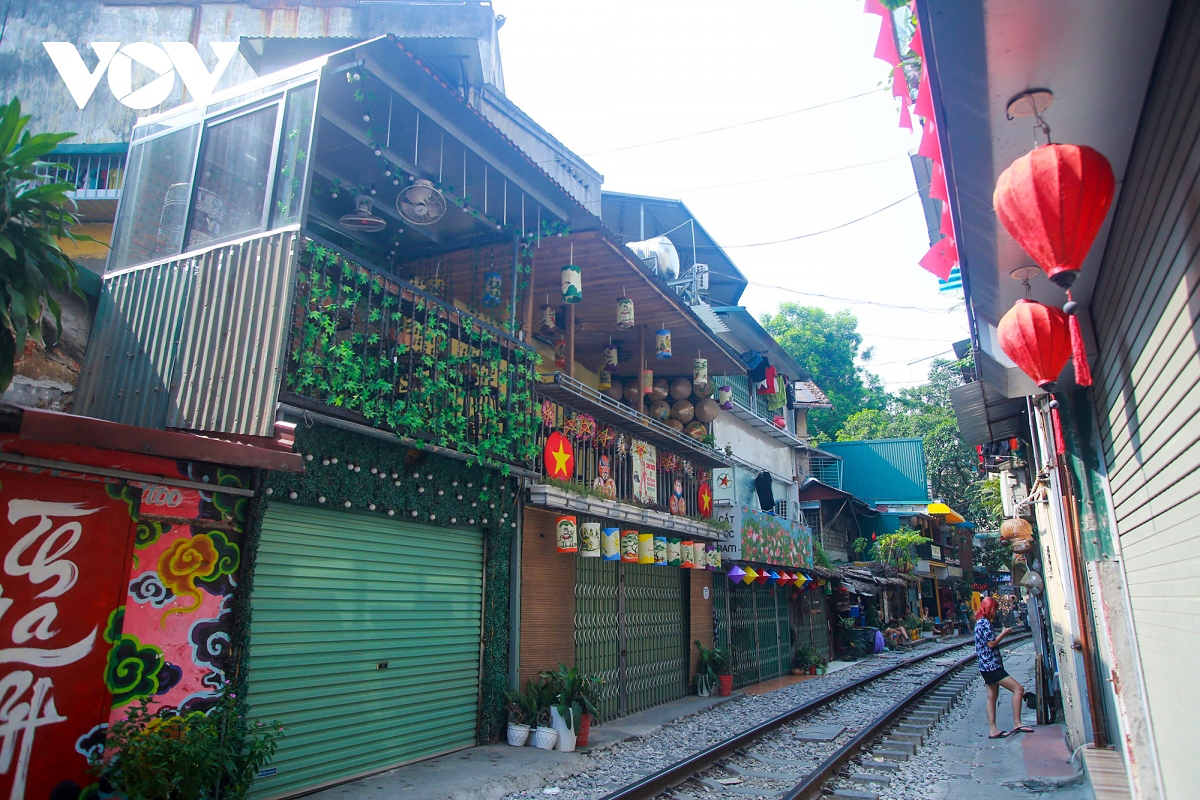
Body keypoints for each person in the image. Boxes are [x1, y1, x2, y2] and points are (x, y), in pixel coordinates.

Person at [975, 596, 1032, 739]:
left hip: (984, 667)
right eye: (995, 609)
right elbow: (991, 644)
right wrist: (1004, 634)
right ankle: (1017, 723)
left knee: (991, 697)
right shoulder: (985, 624)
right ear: (990, 609)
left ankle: (993, 729)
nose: (996, 613)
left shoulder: (979, 623)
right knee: (1018, 689)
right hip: (992, 666)